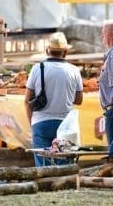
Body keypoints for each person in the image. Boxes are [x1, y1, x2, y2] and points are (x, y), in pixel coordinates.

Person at [24, 32, 83, 166]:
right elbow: (79, 100)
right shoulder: (74, 70)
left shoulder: (37, 69)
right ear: (65, 52)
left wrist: (31, 125)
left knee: (43, 166)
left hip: (41, 124)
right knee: (65, 165)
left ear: (47, 50)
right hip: (65, 125)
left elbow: (27, 101)